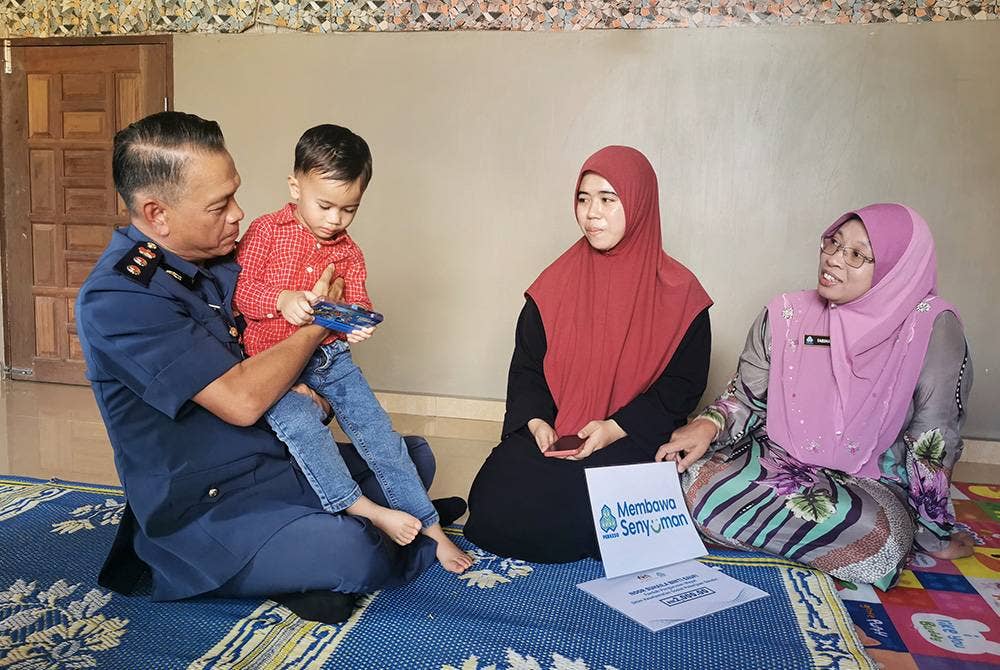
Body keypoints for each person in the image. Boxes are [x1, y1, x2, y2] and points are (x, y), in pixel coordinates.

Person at [76, 111, 449, 624]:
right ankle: (318, 552)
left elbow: (272, 346)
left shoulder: (221, 258)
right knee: (353, 553)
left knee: (416, 457)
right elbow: (242, 398)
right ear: (157, 214)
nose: (237, 213)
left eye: (235, 194)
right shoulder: (119, 296)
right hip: (209, 502)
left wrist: (304, 377)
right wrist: (319, 325)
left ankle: (322, 545)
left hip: (272, 456)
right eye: (219, 204)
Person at [657, 204, 974, 590]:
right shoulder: (787, 314)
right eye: (833, 243)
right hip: (779, 462)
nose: (834, 259)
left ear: (896, 271)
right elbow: (745, 396)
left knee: (879, 538)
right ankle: (813, 547)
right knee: (690, 477)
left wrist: (933, 533)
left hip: (869, 483)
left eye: (856, 254)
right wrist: (709, 424)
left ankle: (747, 530)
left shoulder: (930, 326)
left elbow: (933, 438)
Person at [233, 124, 472, 574]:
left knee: (382, 438)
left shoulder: (350, 253)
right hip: (272, 370)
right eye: (324, 205)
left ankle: (431, 527)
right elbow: (242, 293)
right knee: (305, 428)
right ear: (294, 185)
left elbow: (357, 303)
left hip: (330, 361)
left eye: (349, 210)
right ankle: (365, 509)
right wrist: (284, 301)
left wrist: (355, 324)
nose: (334, 220)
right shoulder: (265, 232)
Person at [464, 146, 713, 562]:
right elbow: (528, 366)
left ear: (639, 204)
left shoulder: (680, 293)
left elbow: (681, 388)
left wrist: (614, 428)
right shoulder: (554, 283)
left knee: (584, 506)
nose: (591, 213)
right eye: (583, 199)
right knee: (493, 501)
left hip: (629, 434)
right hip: (559, 430)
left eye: (607, 199)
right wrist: (538, 421)